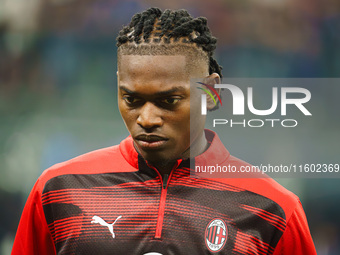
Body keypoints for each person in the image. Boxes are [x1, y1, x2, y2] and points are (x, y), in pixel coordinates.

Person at [11, 7, 316, 255]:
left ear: (212, 94)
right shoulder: (57, 190)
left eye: (168, 100)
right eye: (131, 99)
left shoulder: (274, 210)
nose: (146, 118)